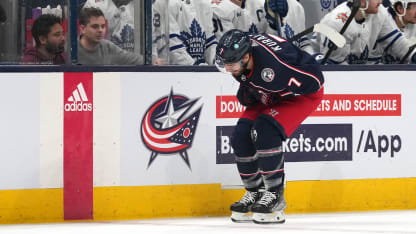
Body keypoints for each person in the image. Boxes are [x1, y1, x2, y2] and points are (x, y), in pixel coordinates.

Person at [215, 29, 324, 224]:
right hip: (268, 90)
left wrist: (283, 92)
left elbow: (316, 82)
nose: (228, 69)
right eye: (225, 64)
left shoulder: (276, 68)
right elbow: (254, 79)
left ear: (246, 57)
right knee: (241, 136)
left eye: (230, 64)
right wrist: (252, 89)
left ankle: (275, 196)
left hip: (300, 96)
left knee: (265, 131)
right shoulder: (245, 58)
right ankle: (255, 192)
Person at [303, 0, 413, 64]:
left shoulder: (380, 13)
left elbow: (399, 45)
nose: (380, 1)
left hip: (355, 73)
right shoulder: (337, 22)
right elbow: (335, 69)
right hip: (322, 73)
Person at [78, 7, 143, 65]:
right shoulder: (70, 49)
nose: (100, 30)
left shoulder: (107, 47)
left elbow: (131, 58)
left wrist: (152, 60)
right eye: (95, 26)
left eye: (103, 26)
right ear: (82, 29)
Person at [168, 0, 217, 65]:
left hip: (200, 70)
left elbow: (210, 43)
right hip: (176, 72)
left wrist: (217, 62)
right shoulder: (169, 4)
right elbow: (173, 47)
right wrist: (194, 66)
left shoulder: (204, 5)